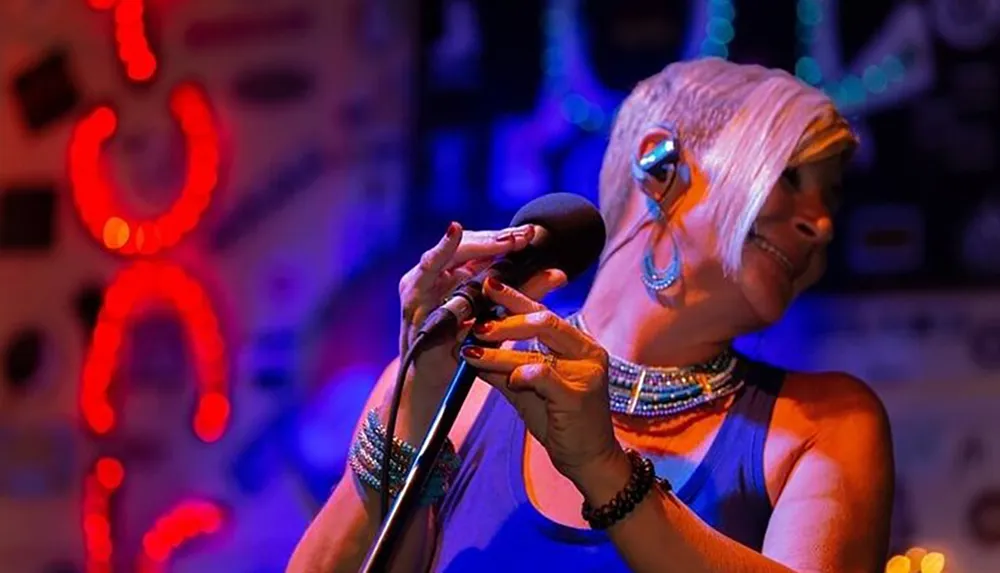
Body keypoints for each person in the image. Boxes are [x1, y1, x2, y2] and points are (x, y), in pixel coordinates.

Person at [287, 57, 894, 573]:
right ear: (660, 164)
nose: (821, 224)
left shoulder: (826, 422)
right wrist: (415, 404)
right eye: (789, 178)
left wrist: (604, 471)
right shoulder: (462, 392)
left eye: (830, 197)